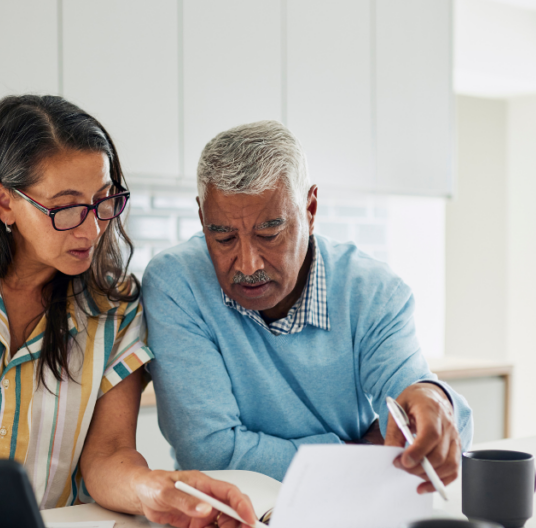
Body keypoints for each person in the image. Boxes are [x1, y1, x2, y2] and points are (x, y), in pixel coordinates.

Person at [0, 95, 257, 528]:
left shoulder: (116, 308)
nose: (92, 227)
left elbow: (108, 455)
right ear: (3, 202)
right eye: (67, 207)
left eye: (103, 200)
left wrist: (155, 489)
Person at [142, 120, 474, 490]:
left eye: (269, 234)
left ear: (311, 209)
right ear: (202, 218)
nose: (248, 264)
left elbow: (415, 402)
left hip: (351, 509)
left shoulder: (373, 291)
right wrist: (359, 451)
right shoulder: (177, 283)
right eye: (223, 238)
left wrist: (432, 399)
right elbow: (211, 455)